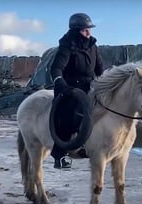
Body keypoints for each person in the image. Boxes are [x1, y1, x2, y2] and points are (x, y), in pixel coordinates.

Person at [50, 13, 104, 169]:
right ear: (75, 31)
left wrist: (105, 84)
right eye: (84, 30)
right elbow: (56, 68)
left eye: (89, 29)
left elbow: (100, 69)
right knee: (68, 114)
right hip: (70, 88)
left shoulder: (93, 46)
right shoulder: (67, 45)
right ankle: (59, 155)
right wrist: (60, 82)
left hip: (91, 86)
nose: (88, 32)